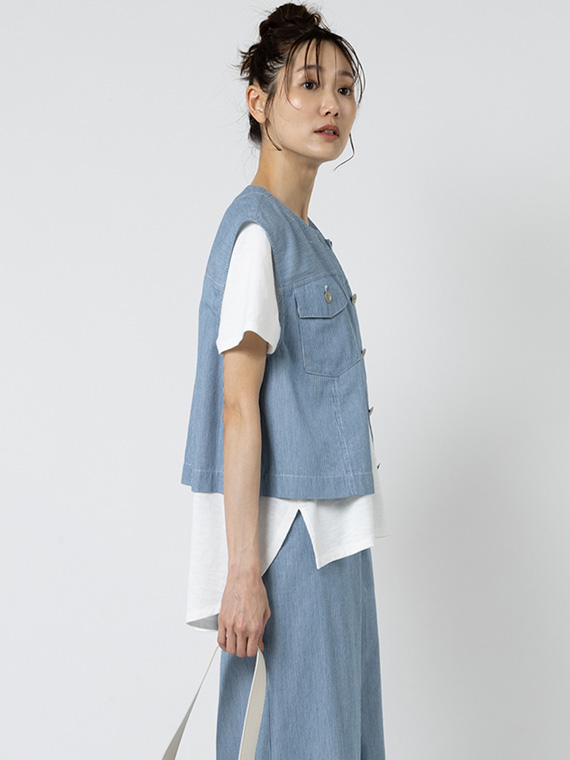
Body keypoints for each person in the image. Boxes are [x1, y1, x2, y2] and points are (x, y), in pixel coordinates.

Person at [180, 3, 391, 757]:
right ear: (258, 101)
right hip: (288, 544)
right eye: (308, 84)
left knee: (341, 739)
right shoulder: (257, 236)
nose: (332, 104)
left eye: (344, 88)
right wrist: (243, 573)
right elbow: (237, 407)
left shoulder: (304, 238)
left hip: (335, 536)